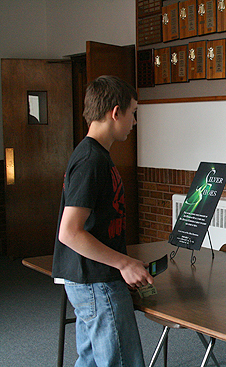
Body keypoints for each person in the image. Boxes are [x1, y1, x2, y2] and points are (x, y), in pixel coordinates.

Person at [52, 75, 152, 367]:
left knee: (92, 361)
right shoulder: (91, 161)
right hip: (97, 282)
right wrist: (124, 263)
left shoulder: (95, 156)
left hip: (93, 280)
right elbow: (69, 232)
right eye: (133, 113)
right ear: (115, 112)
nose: (134, 122)